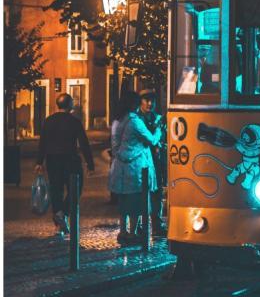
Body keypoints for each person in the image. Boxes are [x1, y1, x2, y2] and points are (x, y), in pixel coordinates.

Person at [34, 93, 95, 236]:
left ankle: (59, 218)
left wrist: (39, 161)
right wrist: (90, 163)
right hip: (70, 160)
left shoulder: (48, 121)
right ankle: (64, 214)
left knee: (56, 190)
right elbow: (84, 143)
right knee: (76, 189)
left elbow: (43, 142)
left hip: (52, 160)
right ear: (70, 105)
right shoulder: (74, 121)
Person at [108, 92, 161, 245]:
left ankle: (123, 231)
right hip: (135, 167)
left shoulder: (117, 121)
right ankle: (132, 233)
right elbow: (151, 140)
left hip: (119, 166)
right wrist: (158, 130)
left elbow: (115, 146)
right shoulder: (135, 121)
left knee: (123, 202)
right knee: (136, 202)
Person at [138, 88, 167, 236]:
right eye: (147, 100)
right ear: (141, 102)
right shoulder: (137, 119)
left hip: (157, 160)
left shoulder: (158, 118)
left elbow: (164, 137)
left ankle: (157, 223)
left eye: (152, 101)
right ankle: (140, 225)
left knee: (157, 191)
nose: (150, 103)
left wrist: (161, 144)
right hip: (142, 161)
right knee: (141, 192)